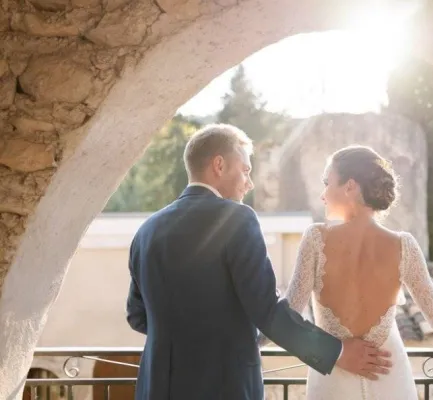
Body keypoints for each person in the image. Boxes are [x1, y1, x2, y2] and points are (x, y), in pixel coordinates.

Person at [125, 125, 391, 400]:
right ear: (219, 165)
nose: (249, 183)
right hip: (225, 388)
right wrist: (336, 352)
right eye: (246, 170)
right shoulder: (237, 219)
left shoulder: (147, 230)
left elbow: (137, 315)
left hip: (156, 388)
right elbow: (267, 311)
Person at [280, 145, 433, 399]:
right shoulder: (404, 246)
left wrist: (331, 352)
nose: (323, 194)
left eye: (328, 182)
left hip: (332, 379)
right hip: (389, 377)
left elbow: (288, 318)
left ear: (350, 186)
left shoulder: (315, 239)